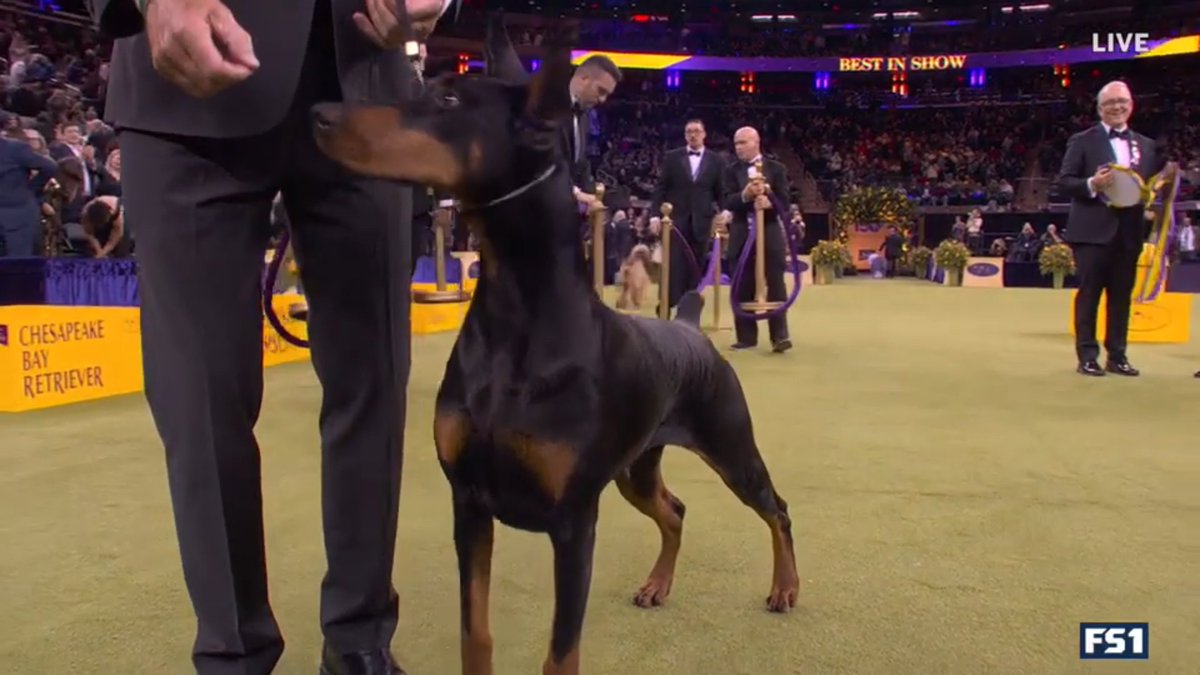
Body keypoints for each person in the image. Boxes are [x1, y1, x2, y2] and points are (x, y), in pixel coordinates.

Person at [86, 0, 458, 673]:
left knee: (375, 379)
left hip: (366, 78)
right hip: (188, 82)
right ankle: (233, 652)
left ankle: (359, 636)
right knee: (202, 396)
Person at [1055, 80, 1169, 378]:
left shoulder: (1147, 145)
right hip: (1092, 232)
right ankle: (1088, 356)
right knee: (1089, 294)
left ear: (1131, 105)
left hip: (1129, 233)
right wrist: (1092, 184)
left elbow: (1152, 186)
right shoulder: (1083, 140)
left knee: (1121, 297)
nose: (1118, 107)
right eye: (1111, 103)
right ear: (1100, 108)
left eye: (1123, 102)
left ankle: (1117, 356)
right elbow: (1064, 182)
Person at [721, 126, 792, 353]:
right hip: (742, 233)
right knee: (742, 284)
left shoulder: (776, 169)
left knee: (776, 283)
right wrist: (746, 195)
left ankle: (780, 336)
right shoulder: (730, 171)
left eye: (742, 143)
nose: (738, 148)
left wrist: (770, 202)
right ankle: (746, 337)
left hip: (770, 232)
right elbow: (727, 201)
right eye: (736, 144)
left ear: (756, 142)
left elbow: (785, 201)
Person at [651, 118, 723, 314]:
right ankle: (666, 305)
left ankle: (688, 313)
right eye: (689, 131)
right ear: (685, 135)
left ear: (704, 134)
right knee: (673, 267)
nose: (693, 135)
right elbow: (661, 188)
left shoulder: (716, 160)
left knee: (696, 269)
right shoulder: (672, 157)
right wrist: (654, 216)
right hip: (675, 224)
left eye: (697, 131)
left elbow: (721, 191)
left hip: (702, 223)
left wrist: (726, 212)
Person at [565, 54, 621, 212]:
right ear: (583, 78)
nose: (602, 100)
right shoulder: (546, 105)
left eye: (607, 94)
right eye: (601, 91)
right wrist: (577, 193)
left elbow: (580, 164)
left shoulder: (583, 116)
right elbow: (542, 164)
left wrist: (593, 198)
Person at [0, 134, 57, 257]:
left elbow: (49, 167)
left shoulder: (14, 148)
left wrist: (31, 189)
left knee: (17, 263)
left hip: (16, 213)